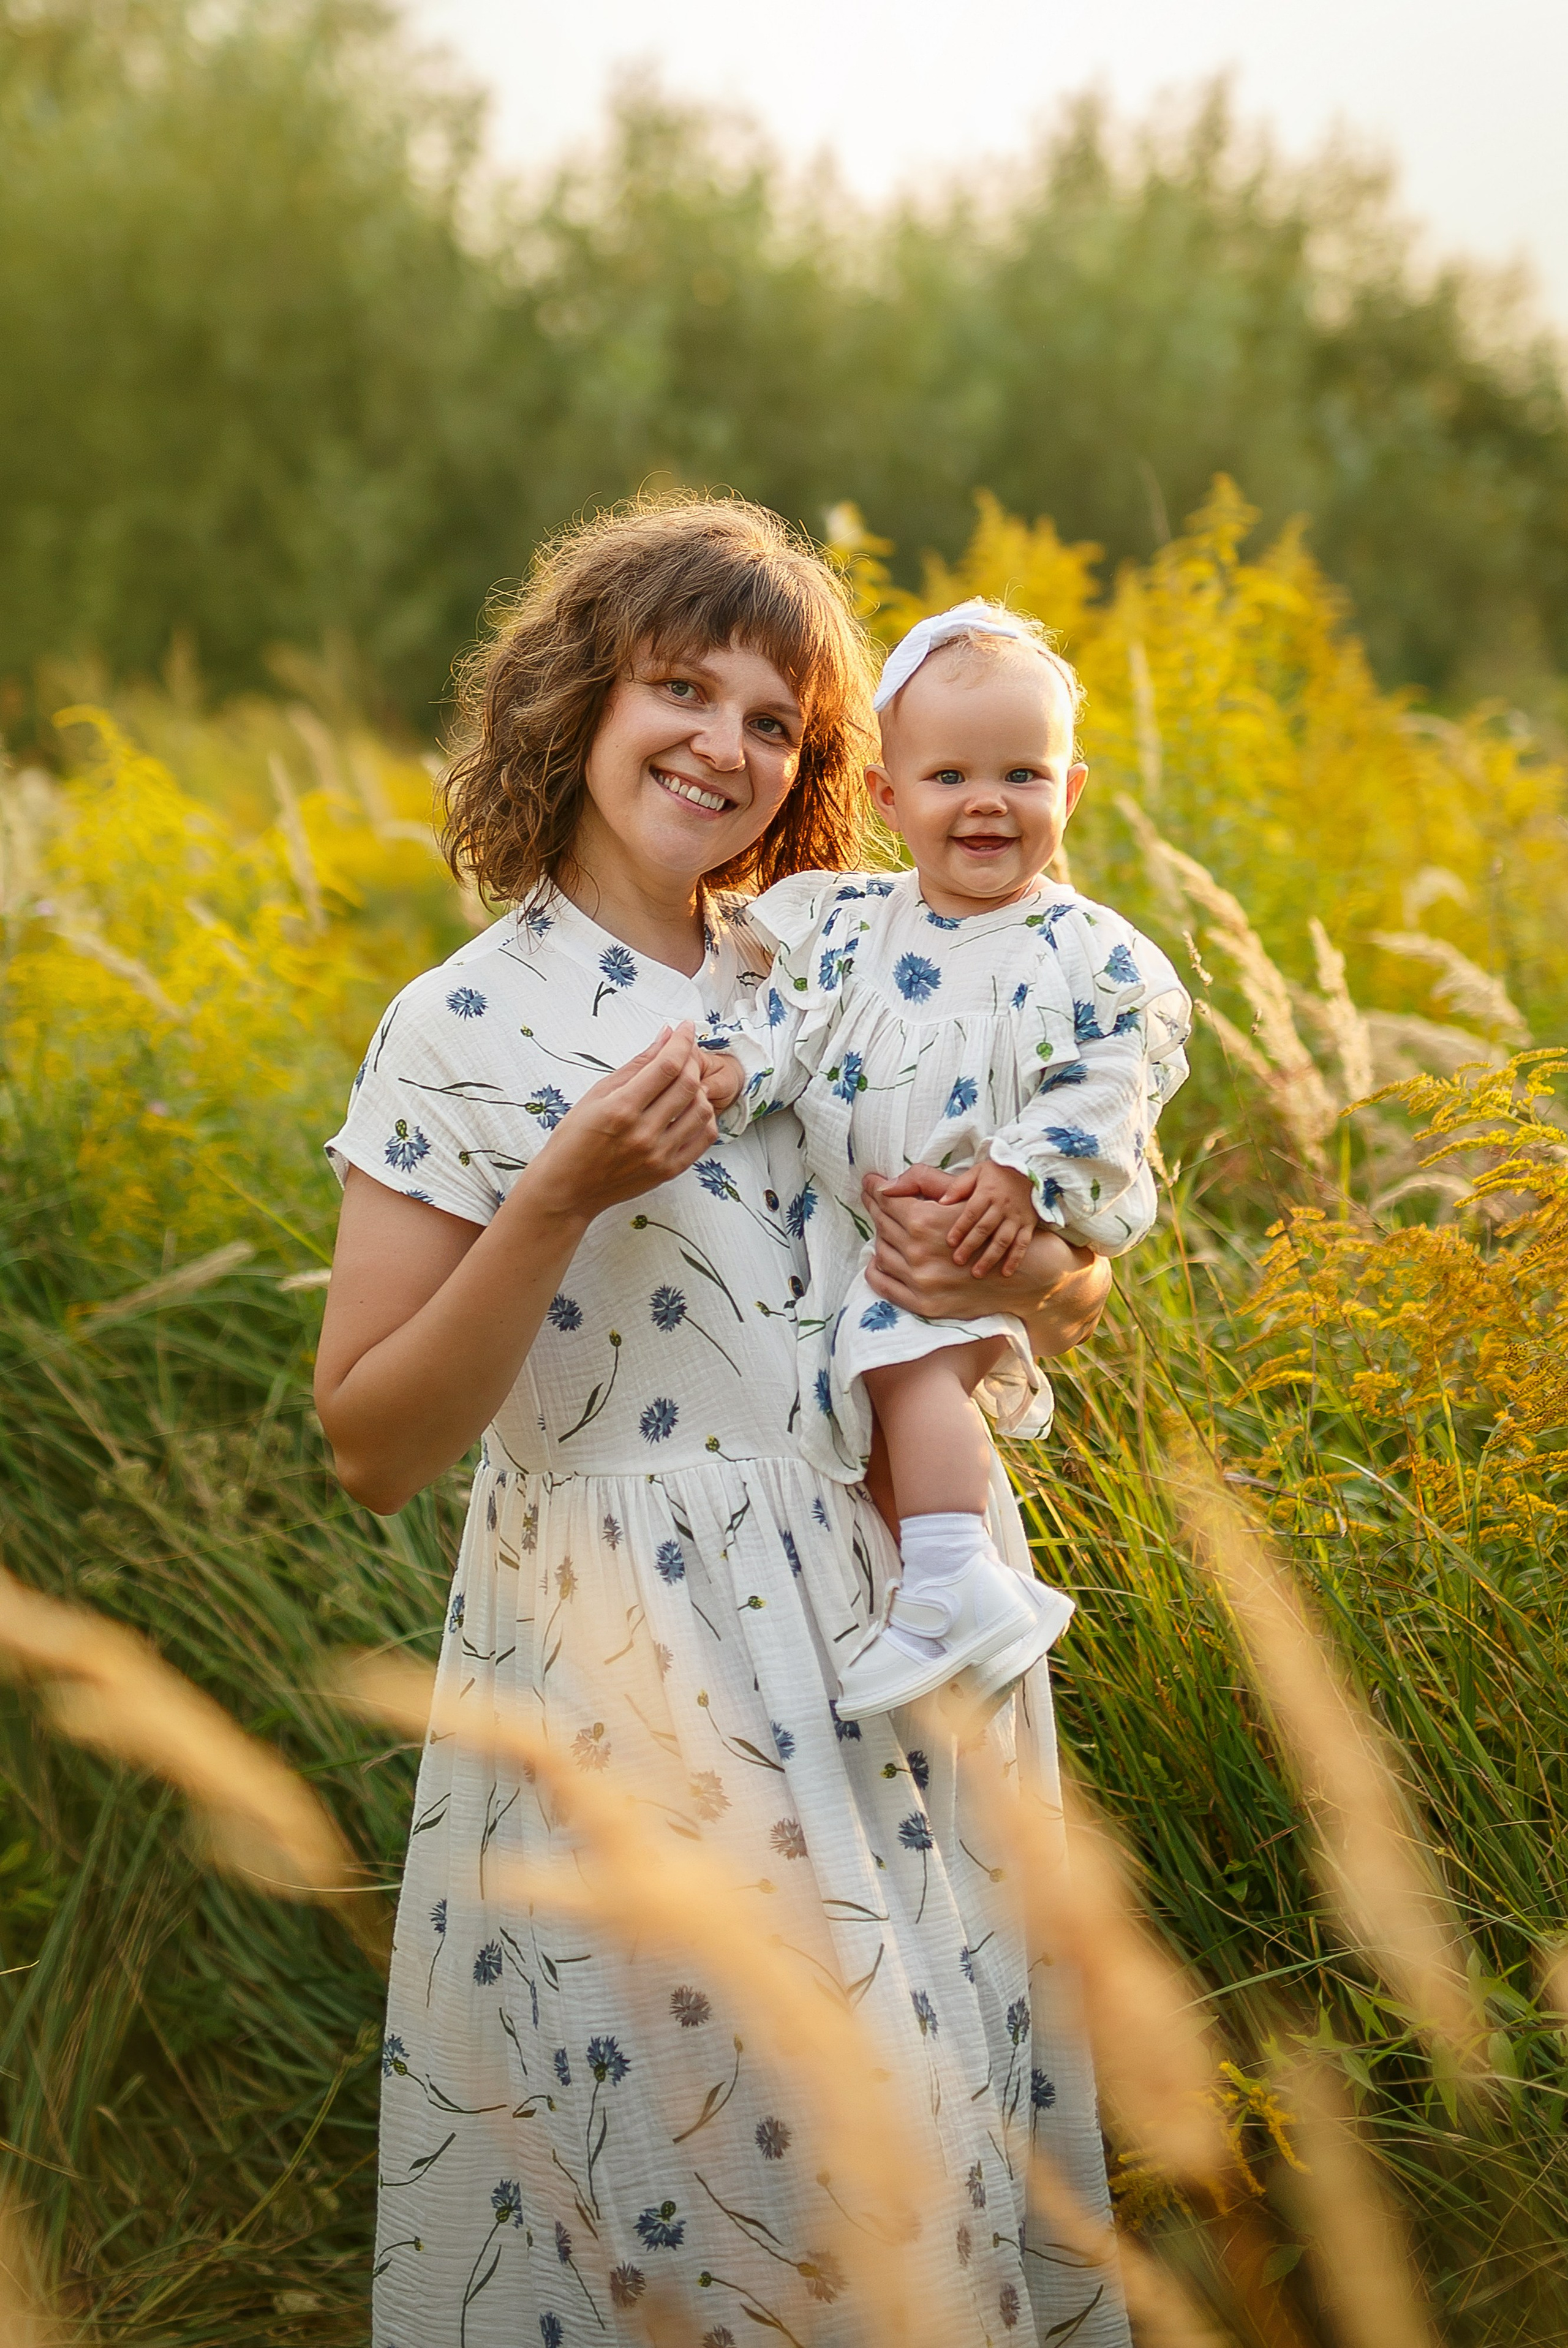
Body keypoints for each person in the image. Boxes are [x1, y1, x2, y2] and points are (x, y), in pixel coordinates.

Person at [315, 502, 1131, 2346]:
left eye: (776, 719)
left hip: (908, 1619)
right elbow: (370, 1441)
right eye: (681, 687)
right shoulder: (456, 1027)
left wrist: (1025, 1256)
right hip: (640, 1655)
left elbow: (1055, 1290)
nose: (724, 745)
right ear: (578, 702)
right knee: (720, 2195)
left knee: (937, 2154)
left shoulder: (851, 967)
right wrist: (560, 1191)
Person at [701, 601, 1191, 1721]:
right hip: (876, 1229)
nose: (986, 801)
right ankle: (931, 1587)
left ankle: (954, 1581)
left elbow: (1122, 1074)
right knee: (879, 1377)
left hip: (988, 1216)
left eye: (1023, 774)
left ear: (1068, 792)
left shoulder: (1087, 950)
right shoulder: (856, 925)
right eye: (950, 775)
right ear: (888, 796)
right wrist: (737, 1070)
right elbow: (796, 1023)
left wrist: (1022, 1172)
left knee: (908, 1354)